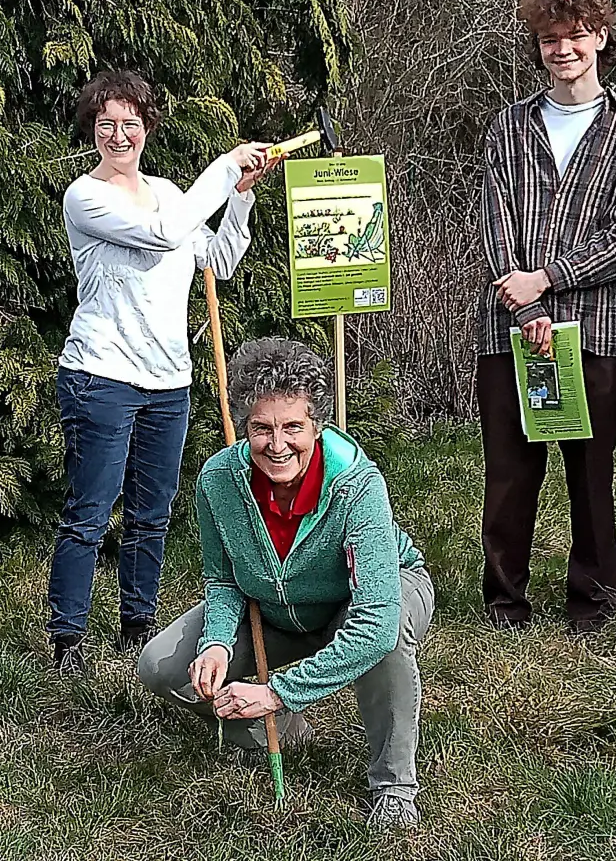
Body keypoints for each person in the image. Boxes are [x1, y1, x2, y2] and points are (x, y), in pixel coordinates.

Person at [137, 338, 434, 830]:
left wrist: (276, 691)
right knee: (159, 667)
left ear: (317, 425)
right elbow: (223, 578)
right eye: (262, 428)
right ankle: (285, 732)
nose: (277, 445)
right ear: (245, 427)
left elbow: (376, 623)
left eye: (293, 426)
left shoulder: (357, 484)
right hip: (277, 609)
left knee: (387, 640)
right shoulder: (218, 481)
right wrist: (215, 643)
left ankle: (394, 786)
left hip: (365, 598)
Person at [47, 70, 277, 672]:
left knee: (151, 514)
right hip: (100, 374)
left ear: (147, 128)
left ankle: (137, 628)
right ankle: (67, 641)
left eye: (130, 123)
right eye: (106, 124)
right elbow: (162, 234)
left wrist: (241, 194)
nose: (119, 135)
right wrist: (224, 167)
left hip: (168, 381)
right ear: (92, 131)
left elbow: (218, 259)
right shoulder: (85, 197)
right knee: (90, 513)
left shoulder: (172, 193)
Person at [477, 0, 616, 633]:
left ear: (601, 37)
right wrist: (523, 302)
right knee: (509, 472)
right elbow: (494, 221)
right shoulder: (509, 127)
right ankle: (505, 602)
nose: (563, 49)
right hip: (508, 326)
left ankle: (594, 603)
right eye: (550, 39)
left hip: (598, 329)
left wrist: (549, 279)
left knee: (590, 474)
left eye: (576, 36)